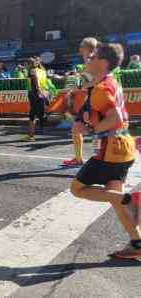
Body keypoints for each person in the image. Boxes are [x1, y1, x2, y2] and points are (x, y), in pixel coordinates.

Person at [70, 43, 141, 259]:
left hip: (111, 148)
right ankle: (137, 244)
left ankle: (132, 199)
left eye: (91, 57)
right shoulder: (108, 82)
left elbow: (115, 118)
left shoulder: (101, 89)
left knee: (77, 189)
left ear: (102, 62)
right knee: (113, 198)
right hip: (122, 146)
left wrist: (88, 128)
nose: (87, 61)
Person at [62, 37, 98, 166]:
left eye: (81, 46)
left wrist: (78, 82)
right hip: (93, 98)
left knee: (100, 130)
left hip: (96, 99)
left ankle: (102, 160)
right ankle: (79, 158)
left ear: (86, 48)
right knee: (77, 128)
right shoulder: (91, 60)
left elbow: (93, 82)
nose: (79, 48)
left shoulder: (91, 61)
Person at [21, 58, 50, 142]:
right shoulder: (42, 70)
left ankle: (32, 135)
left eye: (26, 64)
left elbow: (35, 78)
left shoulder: (32, 70)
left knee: (34, 114)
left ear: (29, 64)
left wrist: (38, 89)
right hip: (40, 93)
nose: (25, 66)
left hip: (35, 94)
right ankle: (31, 135)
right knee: (33, 114)